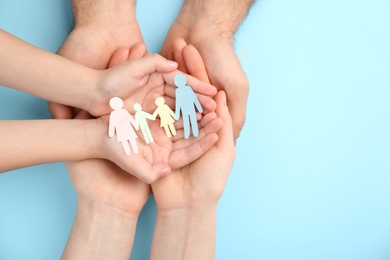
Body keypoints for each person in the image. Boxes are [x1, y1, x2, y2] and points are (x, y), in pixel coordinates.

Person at [61, 41, 235, 260]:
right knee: (134, 140)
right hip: (133, 130)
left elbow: (180, 107)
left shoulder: (152, 107)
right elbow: (131, 122)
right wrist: (101, 136)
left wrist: (189, 207)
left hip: (154, 124)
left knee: (180, 125)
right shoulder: (122, 114)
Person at [0, 28, 222, 183]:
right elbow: (128, 121)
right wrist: (98, 126)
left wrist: (95, 90)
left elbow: (182, 106)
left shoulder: (158, 106)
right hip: (143, 124)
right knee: (184, 122)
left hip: (159, 119)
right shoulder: (138, 113)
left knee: (187, 121)